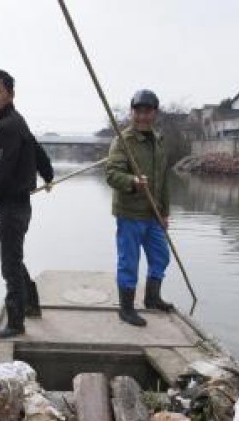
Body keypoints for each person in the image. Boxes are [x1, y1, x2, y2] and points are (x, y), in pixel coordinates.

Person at [0, 69, 54, 338]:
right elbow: (36, 148)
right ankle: (31, 303)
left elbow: (1, 174)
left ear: (10, 94)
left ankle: (16, 323)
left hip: (12, 207)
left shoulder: (8, 126)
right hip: (16, 205)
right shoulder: (14, 121)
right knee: (14, 257)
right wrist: (48, 173)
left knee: (10, 264)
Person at [105, 88, 174, 327]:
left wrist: (165, 213)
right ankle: (126, 309)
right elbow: (112, 175)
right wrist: (133, 182)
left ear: (154, 113)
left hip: (153, 214)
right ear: (132, 112)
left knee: (161, 257)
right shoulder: (122, 141)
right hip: (130, 214)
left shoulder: (160, 143)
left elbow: (164, 180)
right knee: (129, 262)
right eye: (138, 111)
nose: (143, 116)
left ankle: (152, 298)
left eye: (148, 111)